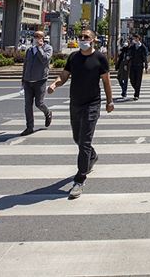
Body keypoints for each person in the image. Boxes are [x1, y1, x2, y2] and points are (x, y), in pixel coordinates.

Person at [47, 30, 113, 199]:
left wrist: (109, 101)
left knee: (84, 141)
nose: (82, 39)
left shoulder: (100, 58)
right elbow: (64, 75)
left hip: (92, 104)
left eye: (86, 37)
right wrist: (55, 84)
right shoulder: (74, 57)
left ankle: (79, 179)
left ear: (93, 40)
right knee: (77, 138)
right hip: (75, 103)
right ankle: (92, 155)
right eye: (81, 37)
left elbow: (106, 81)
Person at [20, 30, 54, 136]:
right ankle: (29, 127)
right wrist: (23, 79)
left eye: (39, 36)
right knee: (27, 105)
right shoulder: (30, 50)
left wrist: (39, 48)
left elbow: (45, 59)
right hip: (28, 81)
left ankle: (47, 113)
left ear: (43, 38)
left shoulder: (48, 48)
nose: (36, 38)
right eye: (35, 36)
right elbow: (26, 64)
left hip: (40, 80)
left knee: (39, 103)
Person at [127, 34, 149, 100]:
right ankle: (136, 89)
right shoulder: (132, 46)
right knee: (132, 79)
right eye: (133, 38)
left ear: (138, 38)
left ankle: (136, 95)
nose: (134, 40)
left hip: (140, 66)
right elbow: (129, 53)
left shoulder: (143, 47)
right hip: (133, 65)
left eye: (135, 38)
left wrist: (146, 66)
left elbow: (145, 57)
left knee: (138, 80)